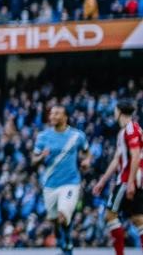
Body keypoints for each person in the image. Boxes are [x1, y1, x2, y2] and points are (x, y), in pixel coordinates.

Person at [32, 105, 91, 255]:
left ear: (65, 117)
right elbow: (33, 161)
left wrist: (86, 161)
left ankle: (68, 246)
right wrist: (41, 157)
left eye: (57, 113)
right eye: (51, 113)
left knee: (63, 216)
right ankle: (63, 243)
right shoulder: (43, 136)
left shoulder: (77, 136)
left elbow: (86, 152)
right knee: (54, 221)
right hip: (50, 185)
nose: (52, 116)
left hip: (71, 183)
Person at [93, 99, 143, 255]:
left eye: (115, 110)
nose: (114, 113)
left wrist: (130, 182)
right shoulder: (125, 131)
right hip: (134, 179)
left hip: (127, 179)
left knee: (110, 215)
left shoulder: (130, 130)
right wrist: (102, 181)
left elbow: (135, 156)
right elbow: (116, 159)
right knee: (138, 219)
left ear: (119, 112)